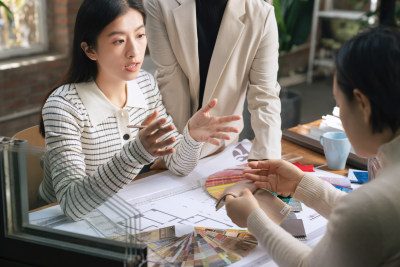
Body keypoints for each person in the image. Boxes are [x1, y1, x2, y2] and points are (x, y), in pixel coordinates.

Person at [38, 0, 241, 221]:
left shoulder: (144, 84)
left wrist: (191, 137)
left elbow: (178, 165)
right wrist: (135, 155)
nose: (134, 52)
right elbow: (72, 205)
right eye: (118, 41)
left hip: (123, 209)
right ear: (90, 50)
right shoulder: (63, 106)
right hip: (56, 223)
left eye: (140, 35)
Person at [225, 27, 400, 266]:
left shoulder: (371, 206)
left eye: (339, 103)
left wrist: (253, 219)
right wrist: (300, 185)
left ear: (362, 104)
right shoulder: (379, 199)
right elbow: (371, 220)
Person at [144, 0, 282, 160]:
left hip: (221, 147)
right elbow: (171, 81)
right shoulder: (159, 4)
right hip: (174, 136)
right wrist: (179, 152)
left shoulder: (261, 14)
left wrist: (266, 159)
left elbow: (264, 96)